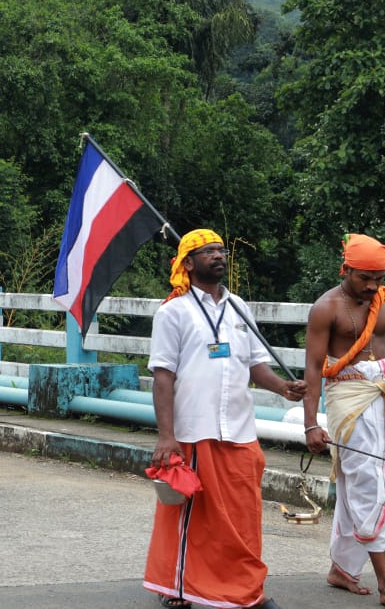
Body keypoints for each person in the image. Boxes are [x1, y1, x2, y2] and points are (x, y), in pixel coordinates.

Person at [144, 229, 306, 609]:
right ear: (187, 263)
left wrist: (283, 388)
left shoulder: (238, 308)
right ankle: (179, 588)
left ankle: (244, 588)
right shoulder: (173, 312)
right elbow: (162, 376)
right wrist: (166, 437)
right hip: (194, 430)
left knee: (242, 517)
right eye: (208, 251)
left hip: (240, 430)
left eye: (220, 250)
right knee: (191, 518)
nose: (218, 256)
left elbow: (254, 365)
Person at [303, 233, 385, 606]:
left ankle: (342, 568)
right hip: (349, 400)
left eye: (379, 277)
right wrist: (311, 422)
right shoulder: (327, 308)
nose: (373, 286)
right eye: (364, 278)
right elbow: (312, 366)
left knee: (376, 479)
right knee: (368, 485)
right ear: (345, 269)